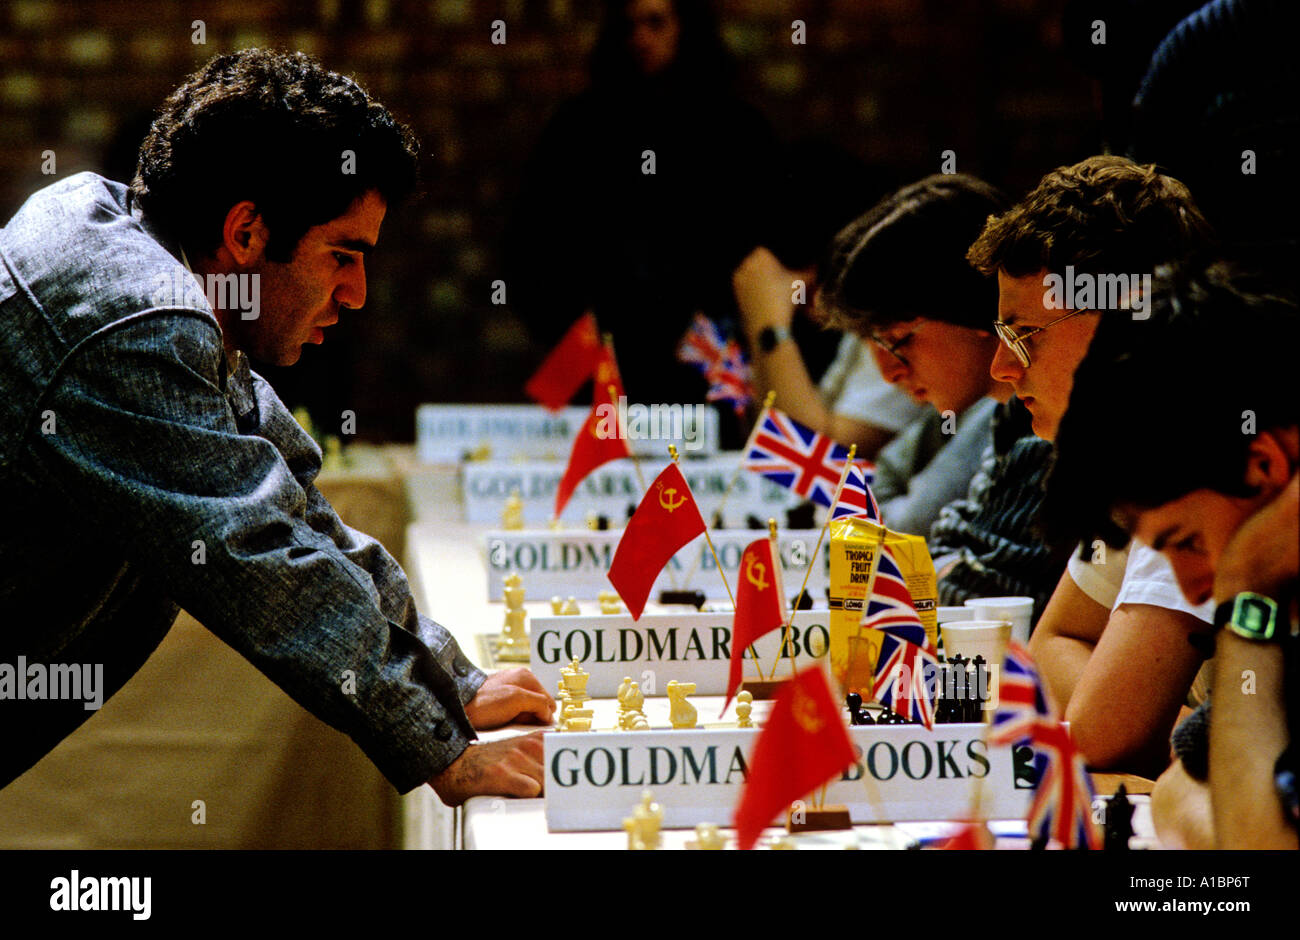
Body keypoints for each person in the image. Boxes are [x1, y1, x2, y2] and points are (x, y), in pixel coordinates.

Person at [0, 50, 551, 805]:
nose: (356, 294)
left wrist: (448, 679)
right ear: (248, 231)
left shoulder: (136, 253)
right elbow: (252, 553)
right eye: (344, 255)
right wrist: (442, 749)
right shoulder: (138, 321)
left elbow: (288, 501)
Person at [963, 154, 1217, 774]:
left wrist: (1146, 725)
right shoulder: (1134, 448)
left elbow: (1103, 739)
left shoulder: (1199, 450)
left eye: (1024, 335)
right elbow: (1056, 643)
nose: (1000, 370)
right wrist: (1198, 742)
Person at [1044, 262, 1298, 848]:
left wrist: (1245, 603)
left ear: (1265, 465)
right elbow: (1182, 785)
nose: (1191, 590)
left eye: (1185, 542)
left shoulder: (1254, 595)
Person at [506, 0, 777, 407]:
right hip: (595, 354)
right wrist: (570, 325)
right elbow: (530, 245)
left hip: (705, 359)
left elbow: (760, 247)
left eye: (656, 23)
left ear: (687, 28)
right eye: (629, 25)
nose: (641, 39)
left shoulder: (736, 131)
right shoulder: (579, 128)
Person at [806, 174, 1012, 537]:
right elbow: (877, 487)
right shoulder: (977, 409)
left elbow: (908, 530)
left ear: (969, 307)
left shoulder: (1031, 413)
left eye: (900, 342)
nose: (889, 374)